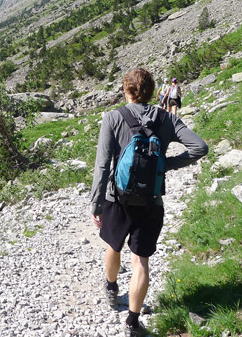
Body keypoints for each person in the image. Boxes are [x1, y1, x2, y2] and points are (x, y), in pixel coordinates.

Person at [90, 68, 208, 337]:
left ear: (126, 90)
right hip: (151, 201)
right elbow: (200, 147)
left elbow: (102, 166)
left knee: (113, 244)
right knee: (140, 260)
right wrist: (166, 164)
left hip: (117, 198)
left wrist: (95, 204)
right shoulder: (167, 118)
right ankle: (132, 323)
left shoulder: (113, 118)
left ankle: (111, 288)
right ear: (154, 92)